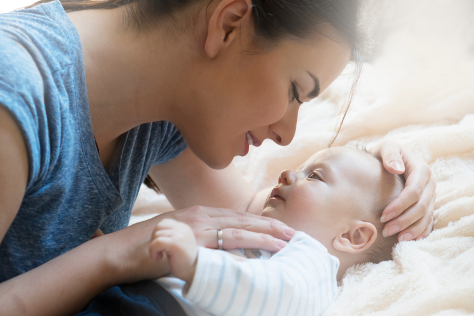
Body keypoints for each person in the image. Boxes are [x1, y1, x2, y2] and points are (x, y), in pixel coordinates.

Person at [0, 0, 436, 315]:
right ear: (228, 24)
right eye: (294, 91)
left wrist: (379, 177)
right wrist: (114, 255)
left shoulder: (166, 105)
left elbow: (249, 221)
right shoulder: (16, 96)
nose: (287, 134)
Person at [143, 146, 403, 316]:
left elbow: (276, 292)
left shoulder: (312, 262)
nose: (288, 174)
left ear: (352, 236)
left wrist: (196, 264)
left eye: (314, 177)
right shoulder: (270, 237)